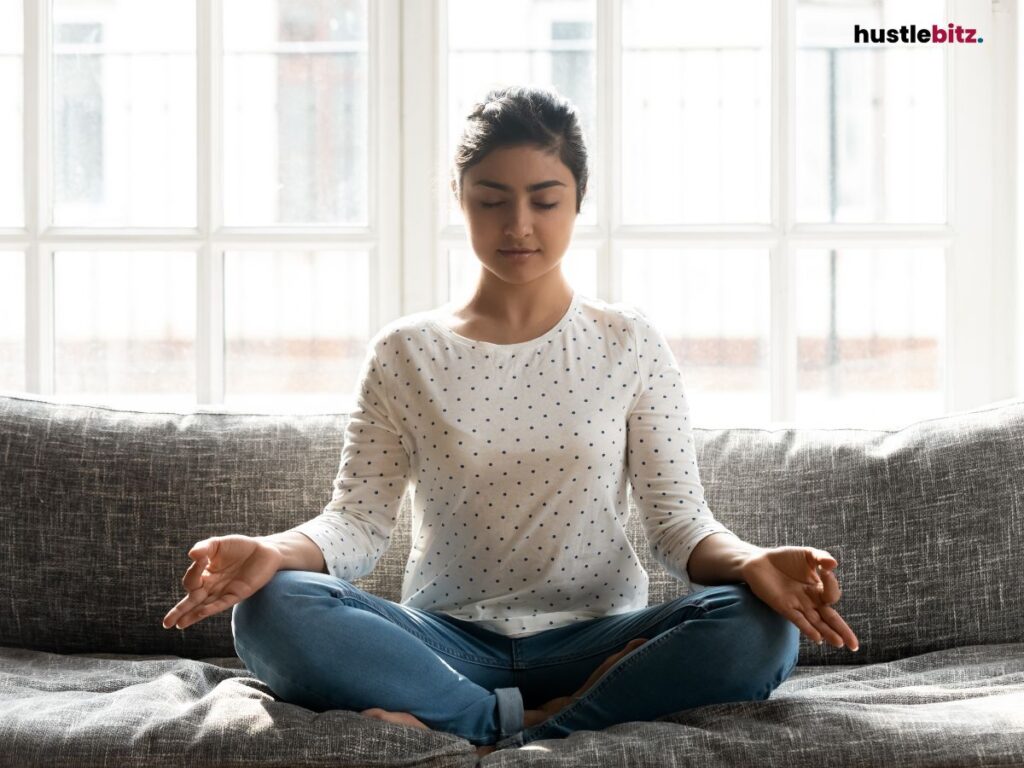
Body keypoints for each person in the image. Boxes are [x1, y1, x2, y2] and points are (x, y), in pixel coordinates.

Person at [161, 84, 859, 758]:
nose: (518, 225)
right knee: (270, 608)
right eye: (492, 201)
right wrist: (274, 551)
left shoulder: (628, 342)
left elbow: (680, 525)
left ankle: (475, 726)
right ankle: (531, 723)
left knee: (759, 625)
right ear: (460, 201)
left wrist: (751, 563)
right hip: (443, 641)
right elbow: (358, 524)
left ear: (578, 201)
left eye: (544, 200)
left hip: (602, 642)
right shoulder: (407, 351)